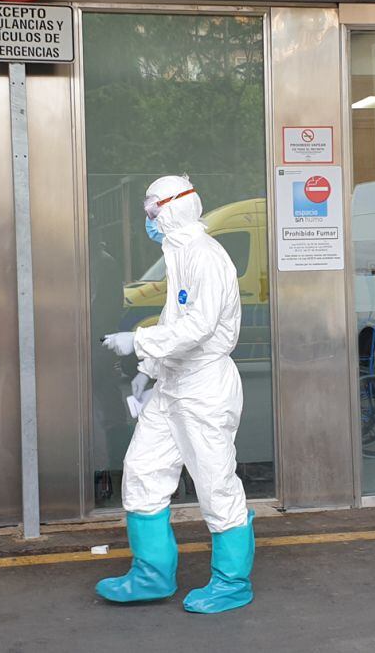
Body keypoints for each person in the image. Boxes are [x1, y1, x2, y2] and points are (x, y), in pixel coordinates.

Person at [98, 175, 255, 615]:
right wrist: (148, 372)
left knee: (215, 482)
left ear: (173, 208)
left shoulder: (204, 256)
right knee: (143, 468)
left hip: (204, 388)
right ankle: (151, 575)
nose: (146, 218)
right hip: (173, 385)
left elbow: (199, 327)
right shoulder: (179, 255)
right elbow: (175, 320)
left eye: (151, 210)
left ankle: (231, 582)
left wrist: (138, 343)